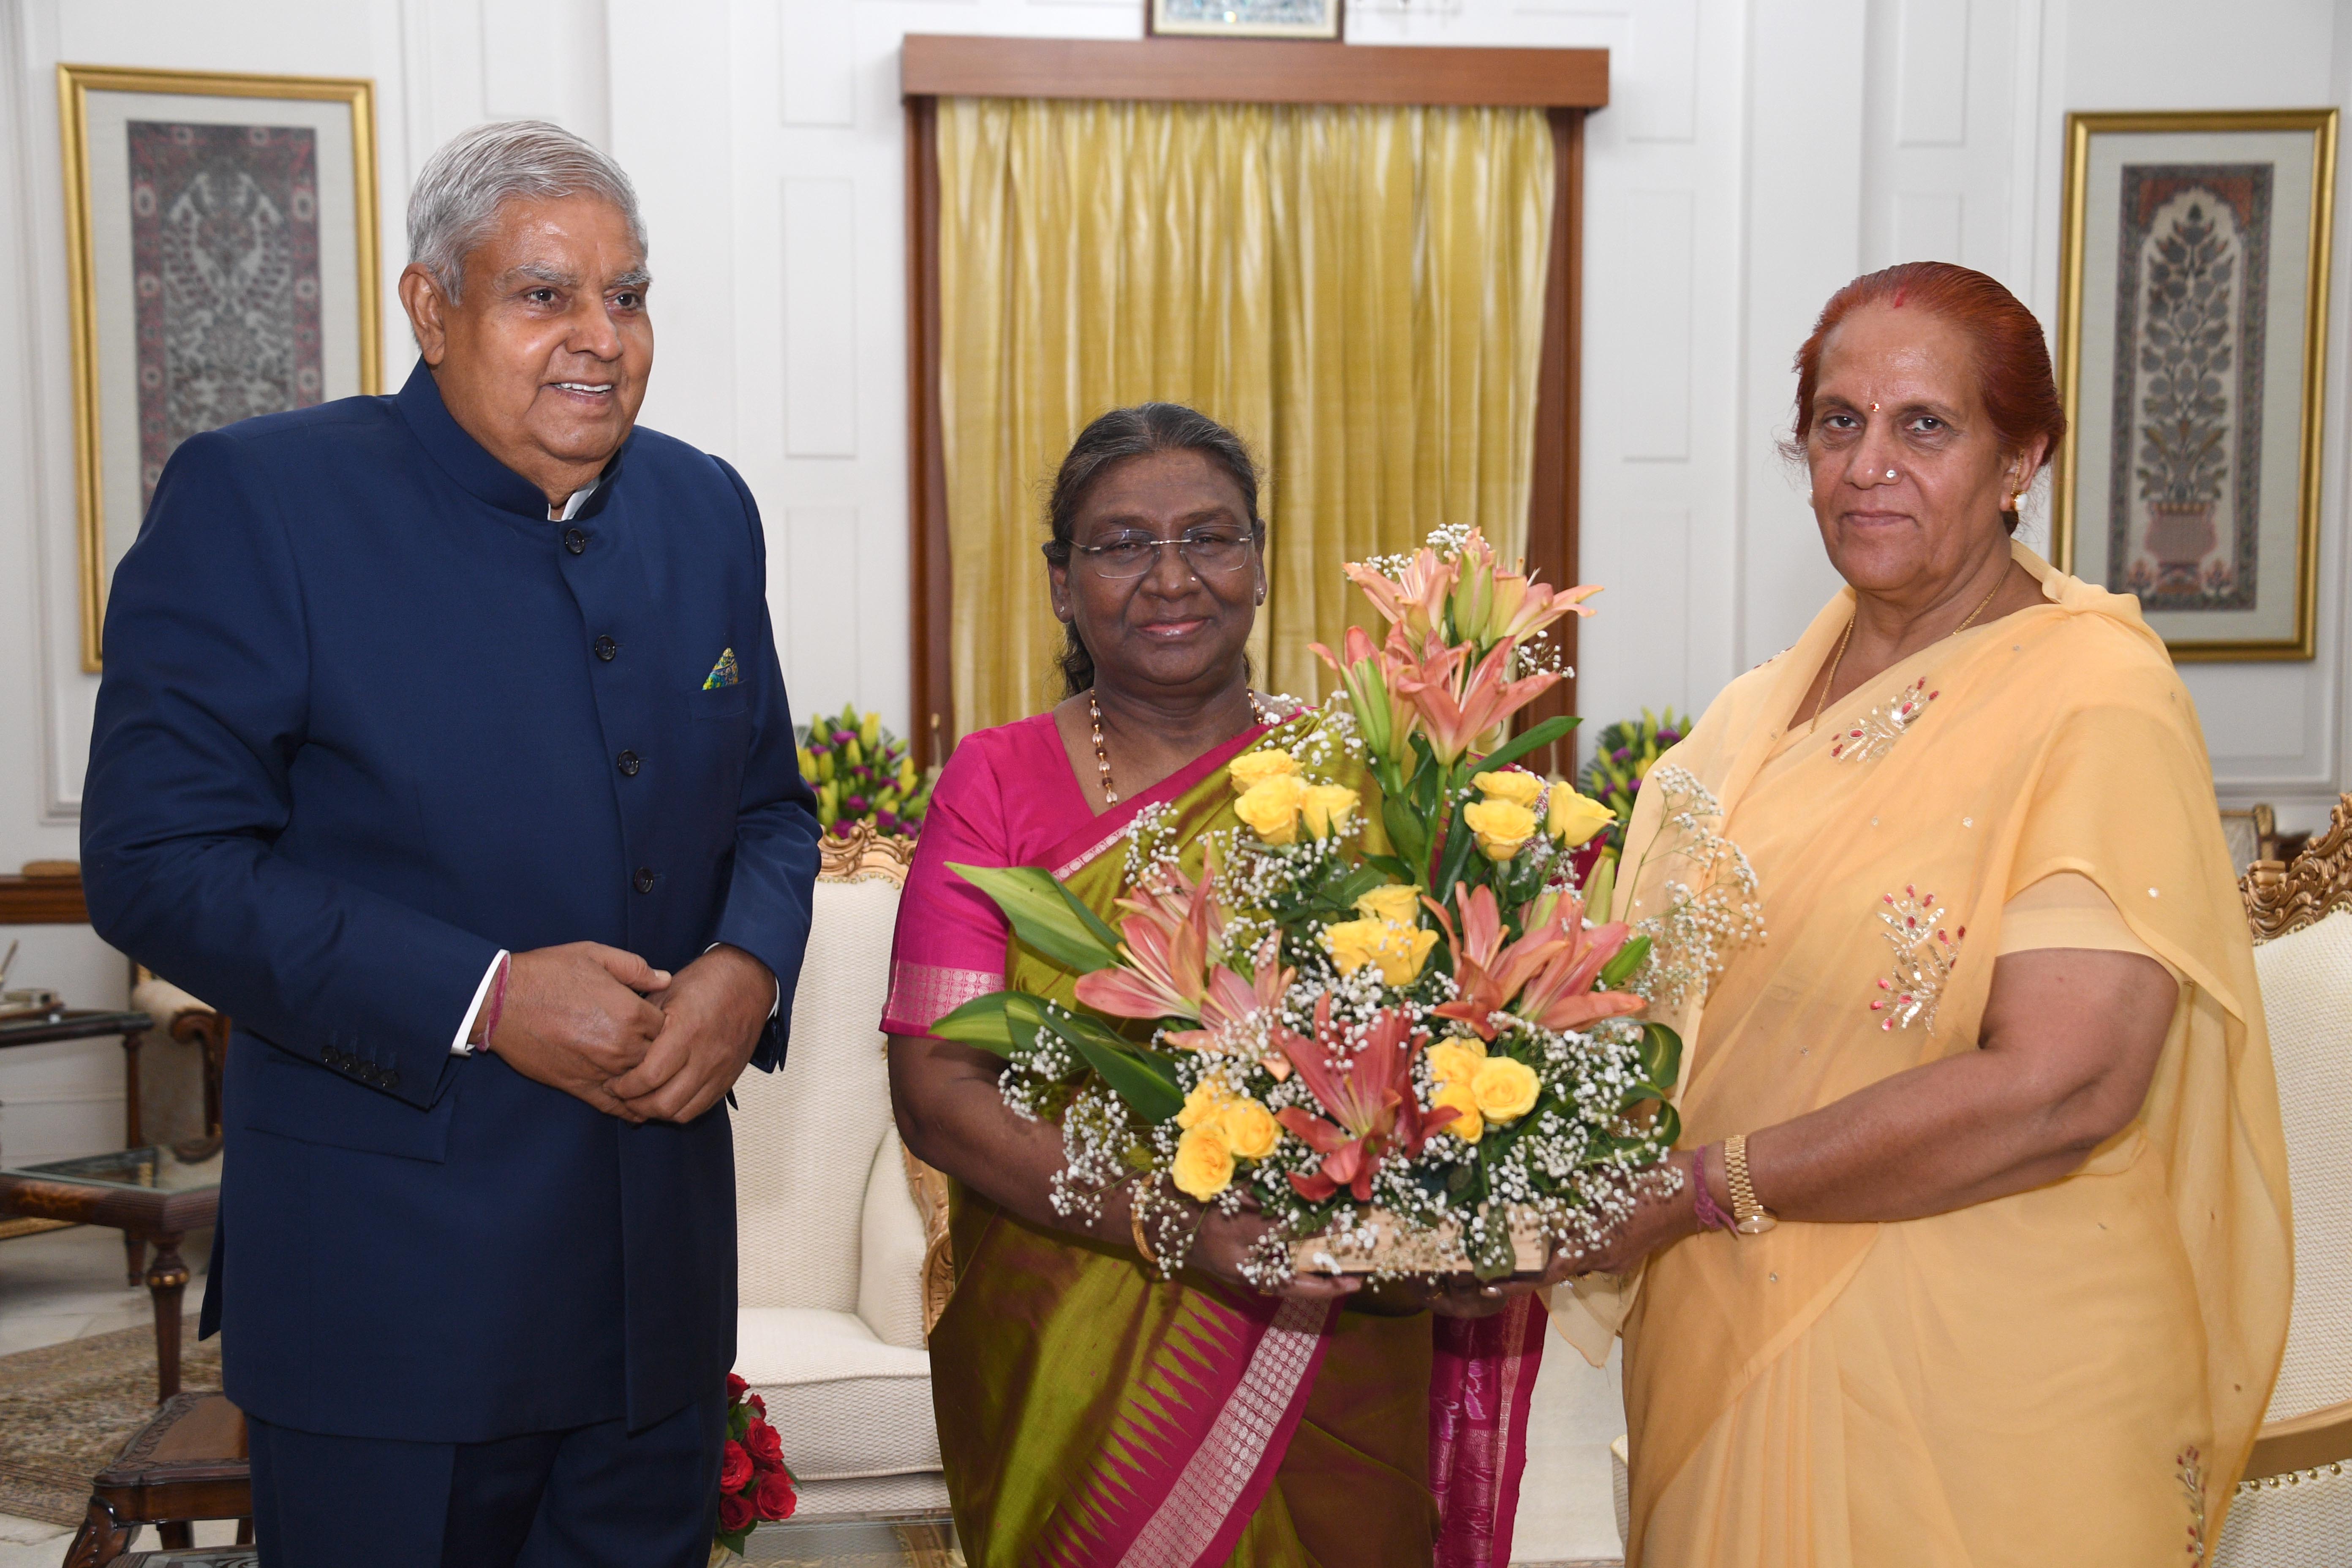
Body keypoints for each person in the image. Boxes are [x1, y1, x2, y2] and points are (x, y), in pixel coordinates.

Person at [80, 120, 819, 1568]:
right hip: (390, 1312)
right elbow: (157, 862)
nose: (600, 336)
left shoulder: (705, 509)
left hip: (657, 1315)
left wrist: (747, 966)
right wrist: (486, 997)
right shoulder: (263, 501)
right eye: (546, 295)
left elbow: (772, 810)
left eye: (628, 295)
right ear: (431, 307)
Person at [1549, 262, 2292, 1565]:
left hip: (1989, 1383)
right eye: (1839, 422)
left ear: (2021, 460)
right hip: (1724, 1339)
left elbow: (2066, 1085)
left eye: (1925, 426)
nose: (1868, 465)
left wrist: (1708, 1187)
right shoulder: (1750, 717)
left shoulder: (2095, 697)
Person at [884, 403, 1551, 1568]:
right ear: (1060, 584)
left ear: (1259, 562)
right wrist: (1172, 1226)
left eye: (1209, 537)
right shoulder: (994, 784)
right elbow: (938, 1091)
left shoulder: (1366, 777)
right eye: (1122, 545)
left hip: (1337, 1331)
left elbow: (1470, 1033)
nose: (1171, 577)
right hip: (1072, 1341)